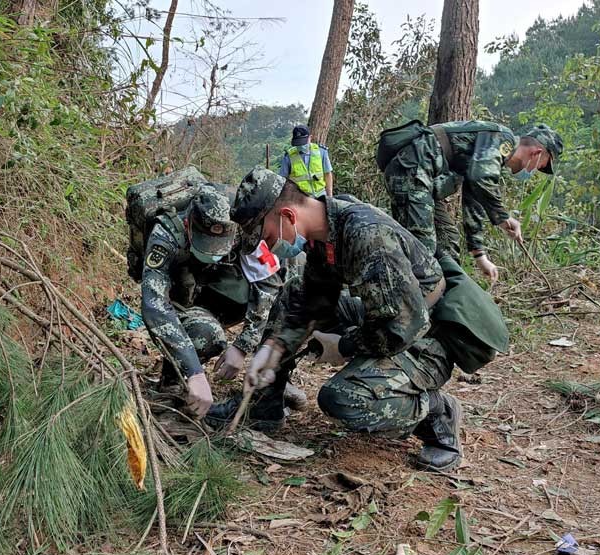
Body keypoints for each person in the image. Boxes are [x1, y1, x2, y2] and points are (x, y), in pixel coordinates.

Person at [209, 167, 507, 471]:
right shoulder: (324, 230)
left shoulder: (367, 235)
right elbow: (314, 299)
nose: (269, 246)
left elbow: (401, 329)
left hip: (428, 336)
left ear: (288, 216)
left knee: (343, 399)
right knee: (292, 297)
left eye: (267, 236)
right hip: (387, 314)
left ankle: (436, 413)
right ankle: (264, 406)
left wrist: (344, 346)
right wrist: (274, 348)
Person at [141, 182, 299, 419]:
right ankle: (174, 379)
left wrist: (243, 346)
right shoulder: (166, 234)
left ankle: (269, 388)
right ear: (189, 225)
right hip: (184, 298)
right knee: (206, 334)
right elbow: (154, 305)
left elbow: (268, 285)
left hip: (220, 292)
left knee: (289, 295)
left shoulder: (244, 227)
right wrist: (194, 372)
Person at [379, 121, 563, 281]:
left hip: (422, 180)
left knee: (448, 242)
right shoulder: (502, 138)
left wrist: (480, 255)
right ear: (537, 153)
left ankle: (448, 304)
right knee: (422, 251)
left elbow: (473, 197)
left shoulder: (492, 157)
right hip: (412, 172)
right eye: (542, 165)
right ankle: (404, 306)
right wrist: (503, 218)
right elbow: (480, 178)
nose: (536, 170)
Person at [279, 125, 334, 198]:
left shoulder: (321, 152)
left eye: (303, 142)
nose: (301, 145)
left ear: (310, 138)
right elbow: (283, 180)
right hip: (300, 199)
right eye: (298, 143)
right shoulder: (289, 157)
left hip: (321, 196)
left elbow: (328, 174)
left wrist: (330, 197)